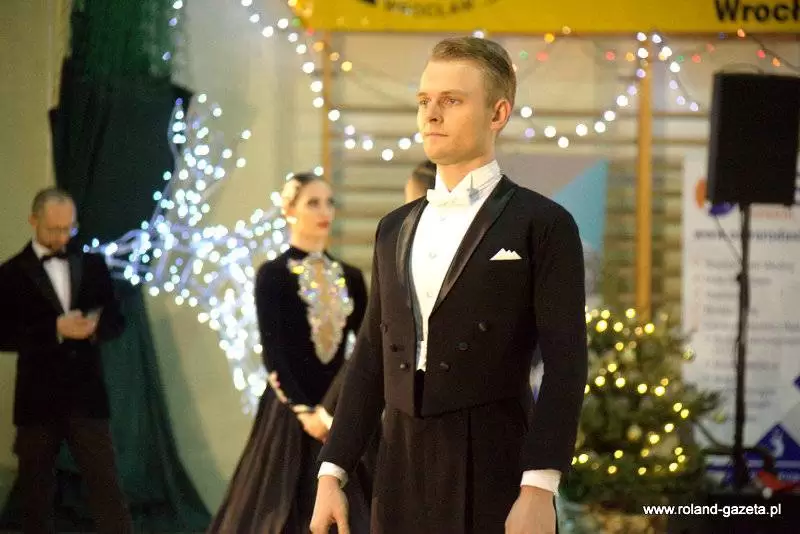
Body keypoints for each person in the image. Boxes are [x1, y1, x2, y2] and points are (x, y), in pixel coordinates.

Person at [310, 36, 588, 534]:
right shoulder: (393, 227)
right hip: (396, 463)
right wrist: (333, 471)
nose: (431, 115)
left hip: (494, 462)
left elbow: (566, 365)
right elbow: (372, 353)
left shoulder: (543, 224)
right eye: (424, 101)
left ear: (498, 113)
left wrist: (539, 488)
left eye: (451, 100)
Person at [207, 173, 374, 534]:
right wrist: (306, 412)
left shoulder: (351, 277)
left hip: (337, 411)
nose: (324, 211)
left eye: (329, 202)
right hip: (292, 413)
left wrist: (333, 409)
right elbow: (275, 354)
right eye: (313, 202)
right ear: (288, 209)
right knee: (281, 508)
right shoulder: (273, 275)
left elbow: (366, 348)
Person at [0, 188, 132, 533]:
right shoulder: (10, 273)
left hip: (86, 394)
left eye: (68, 229)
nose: (62, 238)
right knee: (35, 494)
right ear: (33, 221)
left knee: (106, 487)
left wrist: (95, 327)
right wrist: (54, 329)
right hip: (37, 399)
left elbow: (117, 320)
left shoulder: (92, 265)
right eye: (54, 229)